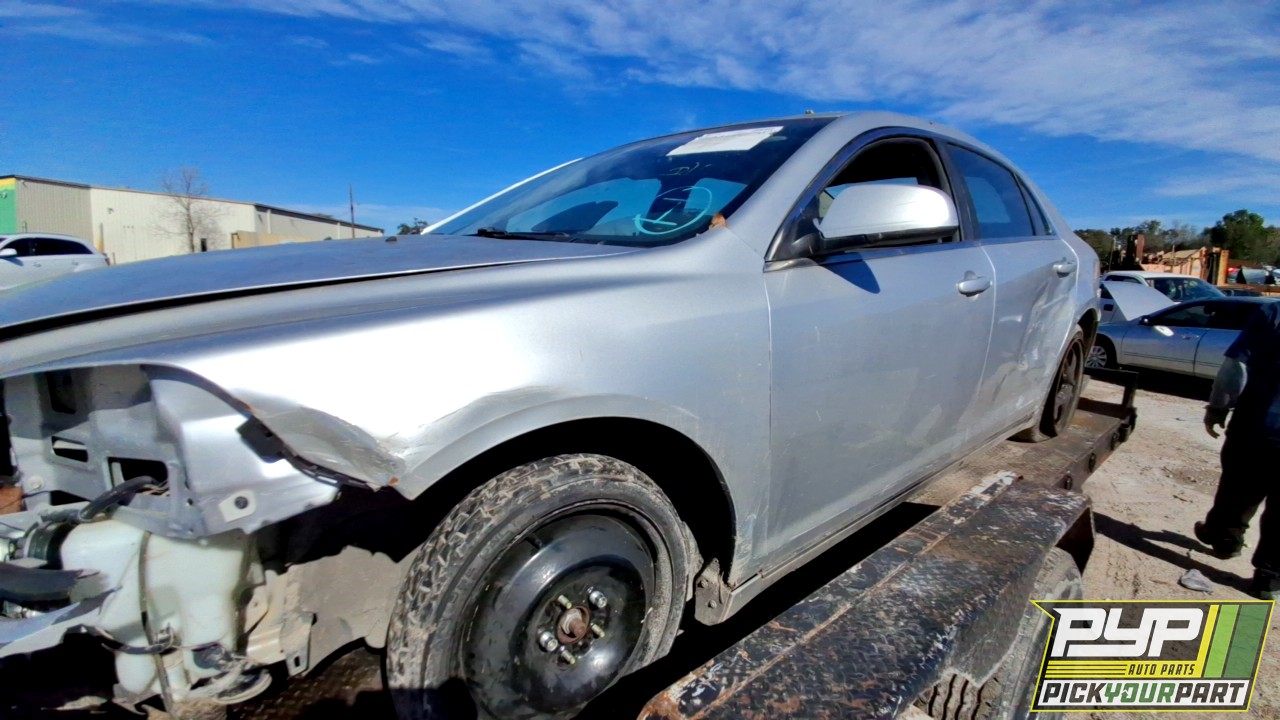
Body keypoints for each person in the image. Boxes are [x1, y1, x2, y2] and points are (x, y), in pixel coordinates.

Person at [1196, 301, 1280, 600]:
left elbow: (1237, 366)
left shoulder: (1273, 314)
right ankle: (1268, 578)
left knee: (1238, 488)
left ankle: (1225, 539)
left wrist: (1218, 407)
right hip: (1258, 428)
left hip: (1257, 428)